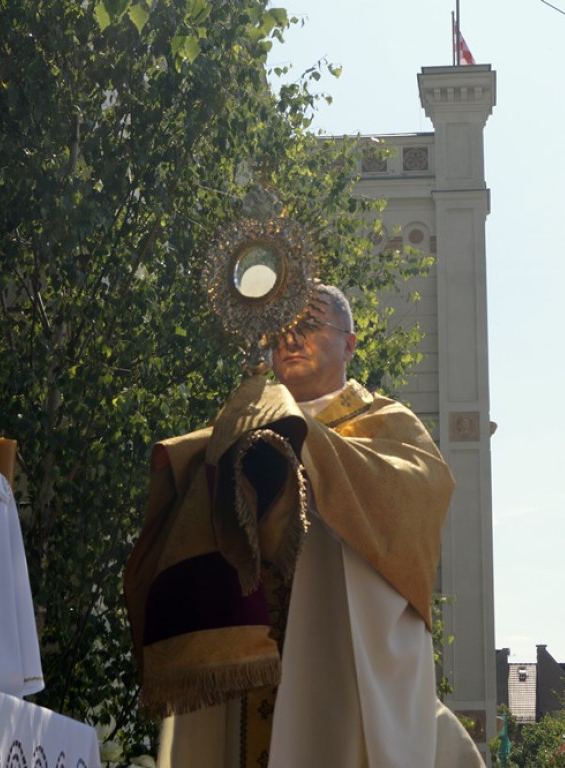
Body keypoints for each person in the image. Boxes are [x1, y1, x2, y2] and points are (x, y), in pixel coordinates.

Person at [123, 284, 484, 767]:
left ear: (350, 343)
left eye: (309, 326)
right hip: (246, 660)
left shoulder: (388, 424)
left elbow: (419, 501)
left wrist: (303, 442)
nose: (291, 340)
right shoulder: (241, 422)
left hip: (333, 650)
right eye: (282, 331)